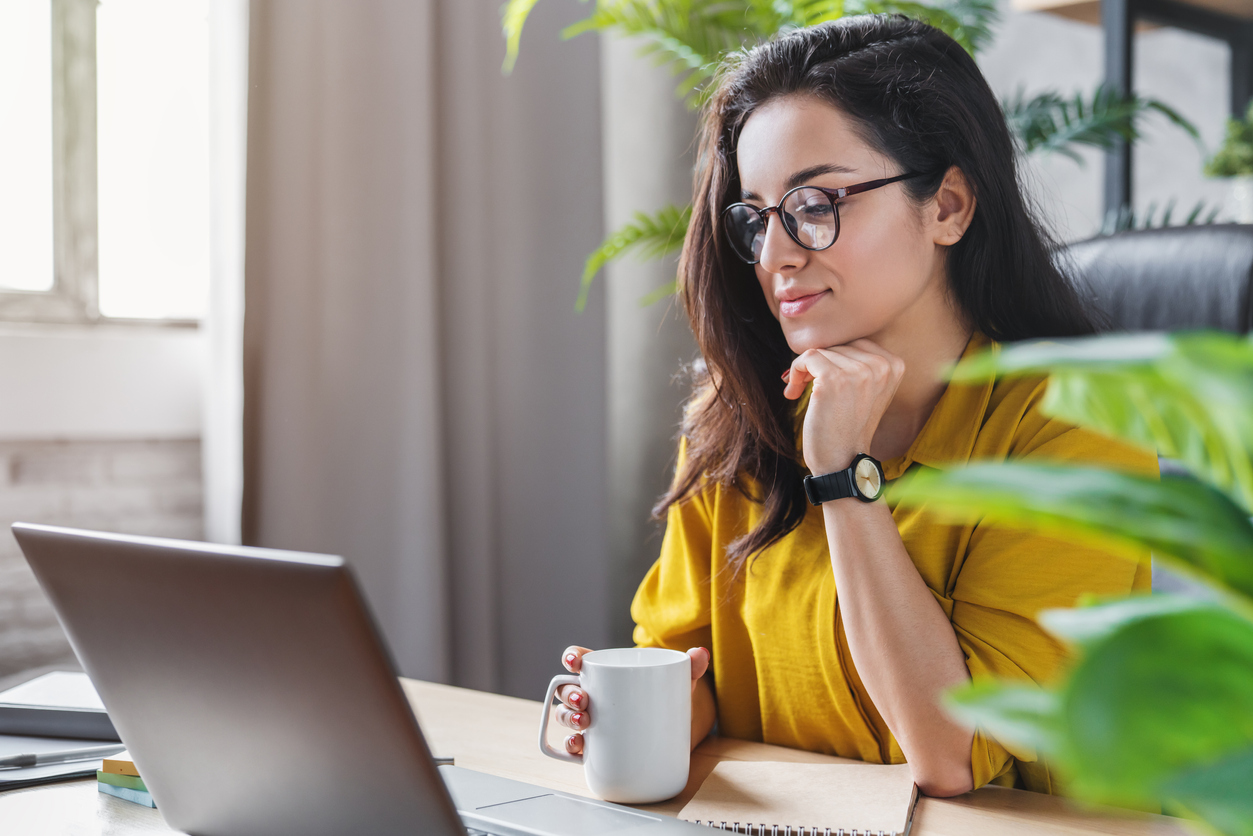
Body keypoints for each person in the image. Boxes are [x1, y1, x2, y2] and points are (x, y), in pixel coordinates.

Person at [550, 14, 1154, 797]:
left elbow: (950, 754)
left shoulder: (1077, 426)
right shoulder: (731, 418)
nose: (775, 255)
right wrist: (621, 711)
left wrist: (840, 472)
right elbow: (686, 663)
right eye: (757, 215)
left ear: (948, 207)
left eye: (815, 202)